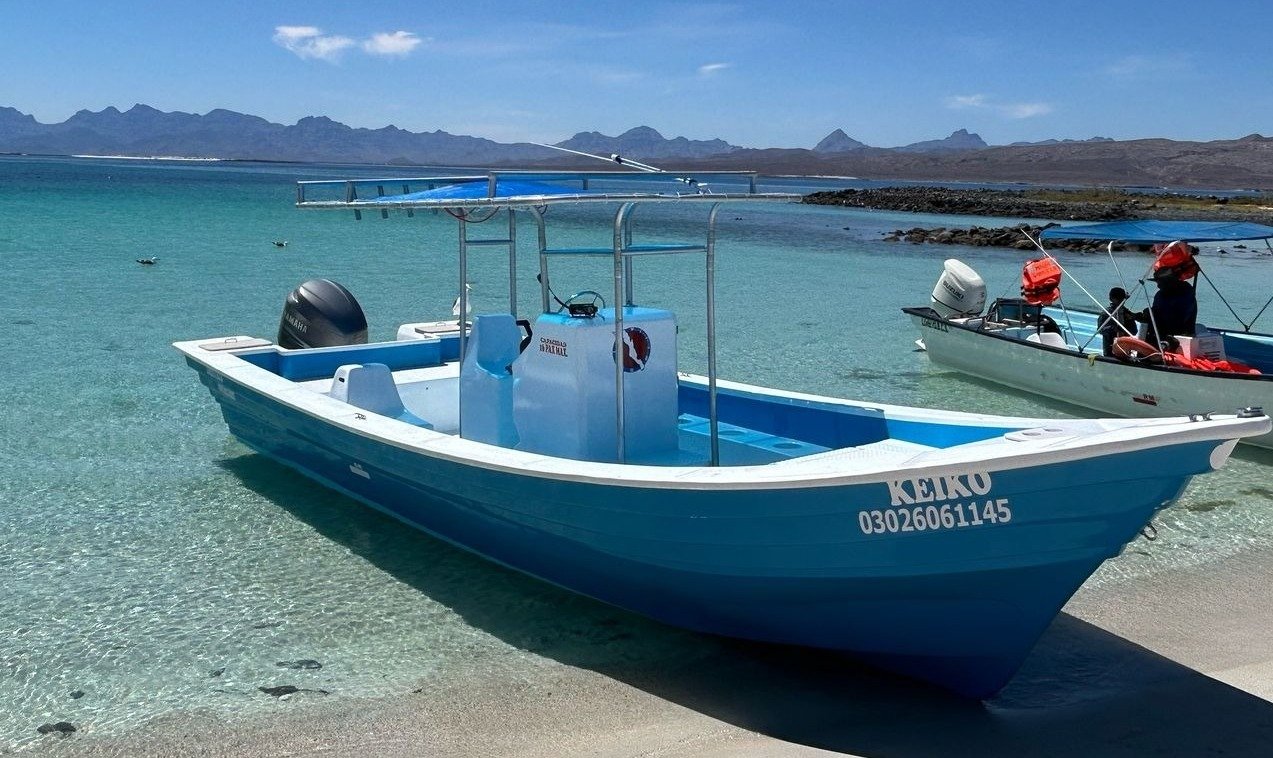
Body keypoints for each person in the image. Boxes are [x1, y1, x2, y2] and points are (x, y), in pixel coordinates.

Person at [1141, 268, 1198, 348]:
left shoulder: (1185, 296)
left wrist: (1153, 314)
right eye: (1157, 283)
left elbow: (1177, 319)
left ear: (1170, 283)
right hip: (1162, 330)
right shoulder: (1160, 295)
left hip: (1178, 334)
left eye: (1160, 283)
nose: (1158, 286)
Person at [1097, 287, 1139, 356]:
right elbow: (1100, 330)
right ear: (1111, 299)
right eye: (1118, 299)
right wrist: (1113, 328)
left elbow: (1134, 331)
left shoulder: (1126, 313)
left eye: (1122, 299)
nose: (1120, 301)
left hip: (1125, 349)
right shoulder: (1107, 313)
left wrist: (1129, 322)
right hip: (1110, 349)